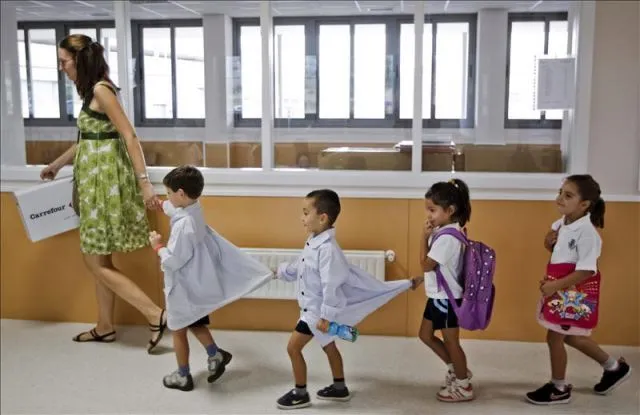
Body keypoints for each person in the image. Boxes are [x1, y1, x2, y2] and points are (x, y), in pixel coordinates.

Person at [40, 34, 166, 353]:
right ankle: (105, 326)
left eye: (64, 62)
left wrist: (145, 182)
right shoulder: (89, 93)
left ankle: (155, 314)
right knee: (102, 258)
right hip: (94, 182)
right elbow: (87, 139)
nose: (61, 68)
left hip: (105, 185)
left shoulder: (101, 89)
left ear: (79, 61)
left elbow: (130, 136)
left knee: (95, 262)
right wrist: (56, 165)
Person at [274, 189, 411, 410]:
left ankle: (300, 393)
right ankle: (339, 388)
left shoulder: (328, 251)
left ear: (322, 217)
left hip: (316, 313)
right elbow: (300, 266)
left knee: (293, 348)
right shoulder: (313, 241)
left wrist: (326, 318)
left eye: (305, 212)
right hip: (311, 309)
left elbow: (331, 286)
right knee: (329, 346)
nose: (302, 218)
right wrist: (281, 271)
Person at [149, 165, 273, 391]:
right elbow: (176, 210)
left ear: (181, 194)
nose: (166, 197)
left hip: (183, 285)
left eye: (168, 193)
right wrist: (162, 205)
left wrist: (157, 246)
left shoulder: (184, 226)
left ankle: (183, 375)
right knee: (195, 320)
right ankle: (215, 355)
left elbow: (174, 260)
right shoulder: (194, 208)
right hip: (195, 283)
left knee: (177, 329)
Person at [526, 175, 632, 405]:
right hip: (561, 289)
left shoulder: (588, 233)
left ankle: (559, 387)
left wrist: (554, 285)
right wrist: (548, 243)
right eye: (560, 192)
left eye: (568, 195)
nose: (559, 198)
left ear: (584, 205)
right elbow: (562, 254)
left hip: (573, 292)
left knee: (555, 337)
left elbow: (587, 270)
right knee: (572, 337)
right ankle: (613, 367)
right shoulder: (561, 223)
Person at [411, 179, 474, 402]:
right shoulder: (446, 231)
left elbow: (426, 264)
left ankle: (464, 385)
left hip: (446, 300)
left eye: (432, 210)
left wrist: (423, 237)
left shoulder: (447, 237)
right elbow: (438, 268)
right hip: (438, 296)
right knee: (425, 335)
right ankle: (456, 369)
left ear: (450, 210)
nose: (428, 215)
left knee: (451, 342)